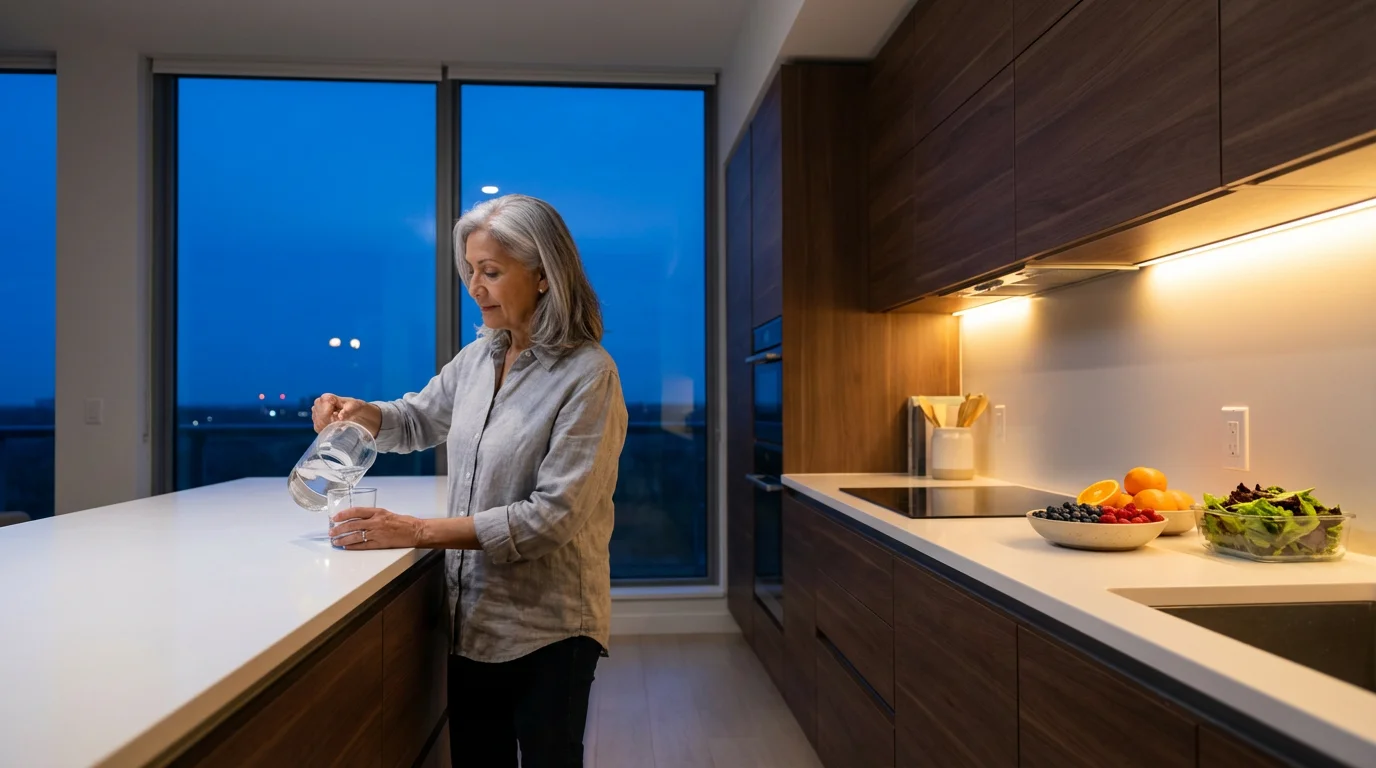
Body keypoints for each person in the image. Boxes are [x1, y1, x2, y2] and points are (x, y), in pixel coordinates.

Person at [313, 193, 628, 767]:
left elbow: (551, 518)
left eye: (490, 272)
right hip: (472, 618)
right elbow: (416, 419)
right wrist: (362, 413)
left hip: (549, 628)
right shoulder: (479, 357)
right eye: (469, 272)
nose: (474, 287)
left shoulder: (590, 376)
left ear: (542, 276)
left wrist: (414, 530)